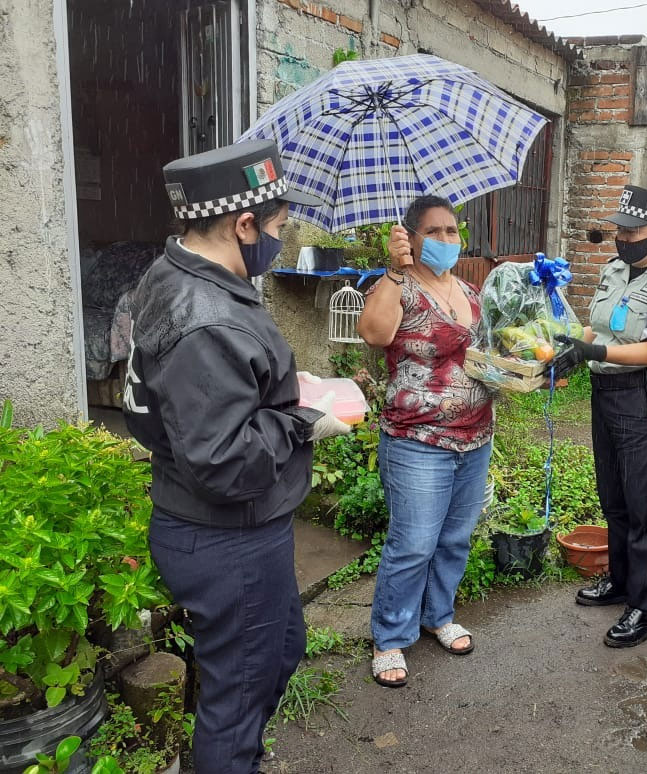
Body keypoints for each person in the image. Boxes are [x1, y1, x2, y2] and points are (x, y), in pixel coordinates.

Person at [123, 140, 352, 773]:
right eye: (277, 229)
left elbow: (195, 406)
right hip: (226, 534)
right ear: (243, 225)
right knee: (238, 696)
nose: (278, 242)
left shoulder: (177, 273)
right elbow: (223, 459)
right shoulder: (210, 318)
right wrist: (303, 422)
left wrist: (279, 391)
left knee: (277, 651)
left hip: (232, 527)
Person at [552, 185, 647, 648]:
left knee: (644, 507)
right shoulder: (616, 269)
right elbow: (598, 324)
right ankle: (619, 580)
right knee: (613, 497)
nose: (622, 237)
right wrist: (567, 344)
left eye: (631, 231)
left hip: (645, 401)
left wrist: (593, 349)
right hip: (607, 394)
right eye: (619, 229)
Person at [357, 195, 494, 687]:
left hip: (476, 435)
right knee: (413, 544)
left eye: (451, 232)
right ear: (411, 237)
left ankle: (437, 615)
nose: (445, 240)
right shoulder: (400, 288)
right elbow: (373, 334)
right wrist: (393, 272)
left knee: (455, 539)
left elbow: (490, 352)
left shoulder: (471, 290)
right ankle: (390, 637)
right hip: (417, 439)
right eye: (433, 232)